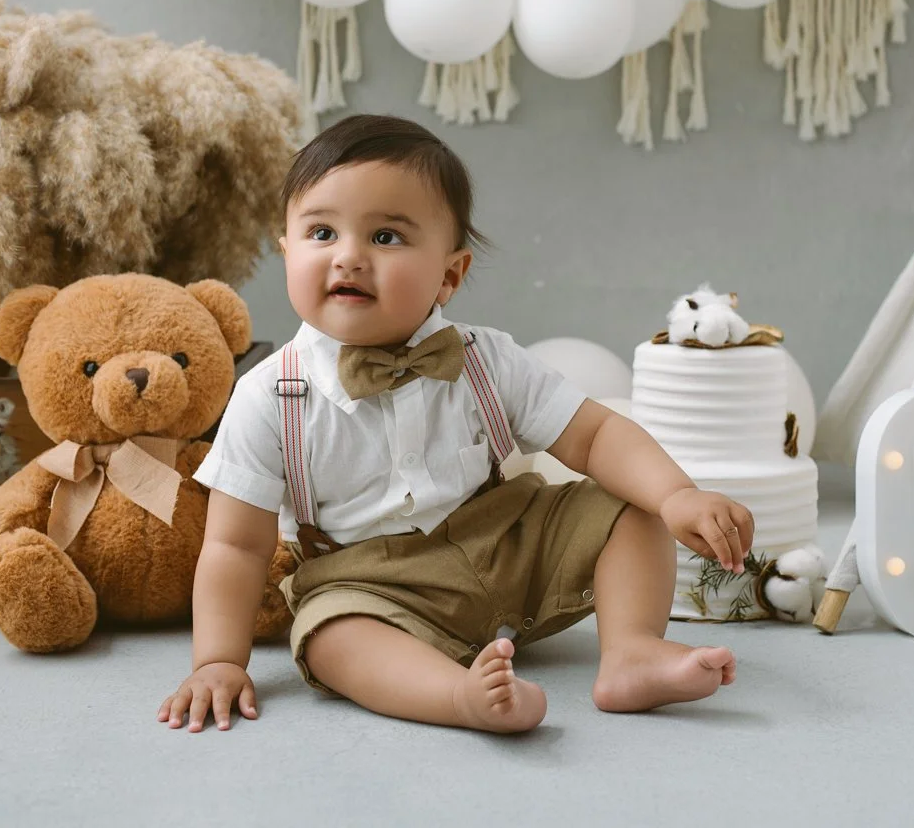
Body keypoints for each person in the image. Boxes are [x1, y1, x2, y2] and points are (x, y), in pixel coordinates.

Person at [158, 114, 754, 734]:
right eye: (322, 232)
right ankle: (457, 697)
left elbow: (596, 434)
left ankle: (631, 651)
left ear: (450, 274)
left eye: (386, 237)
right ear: (286, 251)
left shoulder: (483, 358)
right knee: (330, 634)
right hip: (373, 583)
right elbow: (235, 546)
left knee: (631, 505)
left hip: (505, 546)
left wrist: (675, 493)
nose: (350, 257)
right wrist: (220, 661)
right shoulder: (268, 397)